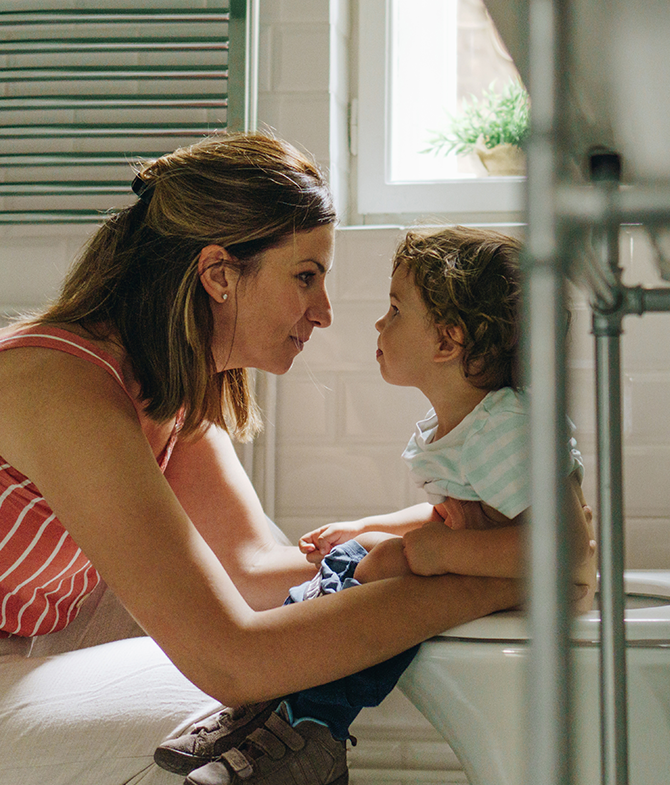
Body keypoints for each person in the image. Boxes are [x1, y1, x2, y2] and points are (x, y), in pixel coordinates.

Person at [0, 133, 532, 785]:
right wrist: (490, 580)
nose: (323, 313)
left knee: (274, 671)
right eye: (305, 276)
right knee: (239, 707)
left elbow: (263, 577)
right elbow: (234, 655)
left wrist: (460, 530)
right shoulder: (59, 386)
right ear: (218, 274)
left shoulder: (166, 394)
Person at [151, 226, 592, 785]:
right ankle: (275, 704)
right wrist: (370, 525)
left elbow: (570, 547)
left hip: (534, 587)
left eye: (395, 309)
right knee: (353, 556)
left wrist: (436, 553)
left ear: (446, 343)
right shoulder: (471, 423)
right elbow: (460, 512)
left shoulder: (506, 428)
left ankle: (309, 727)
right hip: (497, 568)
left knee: (375, 567)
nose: (380, 324)